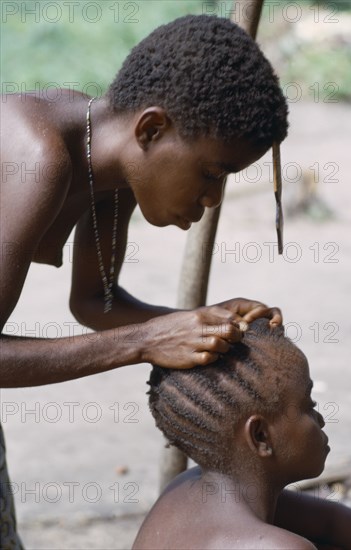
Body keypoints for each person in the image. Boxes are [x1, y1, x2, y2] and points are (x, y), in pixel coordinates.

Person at [0, 14, 287, 547]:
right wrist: (146, 341)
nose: (212, 198)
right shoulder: (38, 159)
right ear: (152, 129)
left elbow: (95, 302)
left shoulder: (108, 165)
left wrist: (197, 324)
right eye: (210, 173)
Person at [133, 319, 351, 549]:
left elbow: (333, 523)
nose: (321, 420)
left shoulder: (188, 487)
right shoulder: (278, 547)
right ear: (261, 436)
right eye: (308, 405)